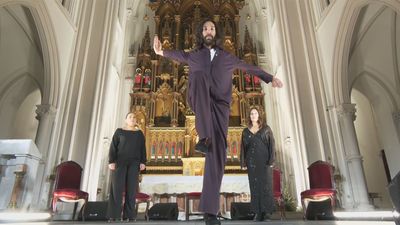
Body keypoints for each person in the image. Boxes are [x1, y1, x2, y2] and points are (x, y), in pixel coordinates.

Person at [153, 18, 282, 225]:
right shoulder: (195, 56)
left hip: (221, 108)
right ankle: (203, 136)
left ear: (216, 32)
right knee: (197, 77)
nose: (208, 31)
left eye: (211, 28)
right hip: (200, 99)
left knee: (218, 159)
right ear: (201, 33)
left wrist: (269, 78)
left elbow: (248, 67)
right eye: (205, 28)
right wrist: (161, 52)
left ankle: (210, 212)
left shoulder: (227, 57)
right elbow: (180, 55)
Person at [107, 112, 147, 222]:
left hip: (134, 163)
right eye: (130, 117)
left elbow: (142, 149)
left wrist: (143, 161)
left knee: (131, 189)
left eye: (134, 117)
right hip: (119, 162)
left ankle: (129, 215)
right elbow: (113, 147)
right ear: (126, 120)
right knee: (116, 189)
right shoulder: (119, 131)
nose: (133, 118)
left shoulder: (139, 134)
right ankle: (114, 215)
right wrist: (111, 161)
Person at [240, 107, 276, 221]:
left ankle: (266, 213)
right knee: (254, 187)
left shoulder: (266, 129)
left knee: (266, 186)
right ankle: (257, 212)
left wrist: (271, 160)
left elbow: (272, 145)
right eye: (251, 114)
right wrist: (243, 162)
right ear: (249, 116)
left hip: (265, 161)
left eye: (255, 113)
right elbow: (243, 148)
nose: (253, 115)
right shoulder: (245, 131)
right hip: (252, 163)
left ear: (259, 115)